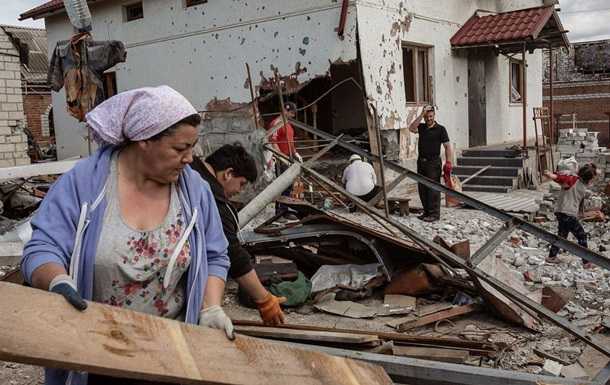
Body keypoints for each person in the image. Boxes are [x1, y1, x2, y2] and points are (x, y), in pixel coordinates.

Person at [21, 86, 232, 385]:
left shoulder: (194, 191)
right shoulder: (85, 184)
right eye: (179, 148)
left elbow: (214, 254)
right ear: (144, 140)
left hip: (171, 354)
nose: (189, 158)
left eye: (192, 147)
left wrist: (210, 307)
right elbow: (43, 248)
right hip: (96, 355)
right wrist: (58, 281)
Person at [191, 144, 286, 325]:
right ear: (228, 173)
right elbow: (233, 254)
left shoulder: (191, 173)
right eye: (241, 184)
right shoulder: (214, 201)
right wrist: (264, 299)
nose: (239, 191)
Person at [544, 163, 597, 267]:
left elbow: (579, 198)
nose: (593, 180)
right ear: (588, 178)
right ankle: (586, 262)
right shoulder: (573, 180)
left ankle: (551, 257)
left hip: (564, 212)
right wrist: (551, 175)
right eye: (593, 178)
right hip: (567, 213)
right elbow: (561, 178)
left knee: (562, 236)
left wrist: (580, 213)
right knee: (581, 235)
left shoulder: (582, 183)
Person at [408, 105, 453, 222]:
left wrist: (448, 162)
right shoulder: (422, 127)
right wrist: (421, 114)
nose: (429, 119)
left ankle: (434, 214)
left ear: (434, 115)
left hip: (433, 163)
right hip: (421, 162)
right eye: (427, 117)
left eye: (430, 116)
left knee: (433, 189)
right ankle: (426, 212)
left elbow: (447, 146)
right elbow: (411, 128)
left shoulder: (441, 129)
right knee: (422, 188)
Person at [267, 102, 302, 218]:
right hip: (281, 158)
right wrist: (281, 157)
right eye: (291, 113)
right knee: (281, 185)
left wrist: (295, 153)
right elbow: (273, 142)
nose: (293, 115)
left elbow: (290, 141)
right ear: (285, 111)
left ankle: (285, 209)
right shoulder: (276, 123)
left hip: (289, 157)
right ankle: (279, 213)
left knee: (289, 185)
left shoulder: (288, 124)